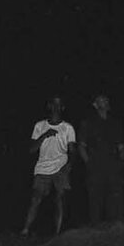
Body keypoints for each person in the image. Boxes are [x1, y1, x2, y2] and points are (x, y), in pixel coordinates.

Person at [21, 94, 75, 237]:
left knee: (60, 199)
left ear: (62, 108)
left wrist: (69, 165)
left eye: (59, 104)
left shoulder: (68, 128)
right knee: (36, 198)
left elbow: (72, 150)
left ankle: (58, 233)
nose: (56, 107)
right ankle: (25, 229)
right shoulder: (40, 126)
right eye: (54, 104)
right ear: (49, 106)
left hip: (61, 166)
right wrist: (44, 135)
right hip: (42, 167)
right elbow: (31, 149)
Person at [78, 93, 124, 224]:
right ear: (95, 105)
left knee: (115, 199)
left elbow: (121, 146)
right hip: (95, 166)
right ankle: (95, 228)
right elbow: (81, 146)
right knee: (95, 200)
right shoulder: (87, 123)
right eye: (101, 100)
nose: (105, 102)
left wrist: (121, 162)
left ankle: (116, 227)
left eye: (106, 99)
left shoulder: (115, 123)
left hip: (113, 166)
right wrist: (89, 163)